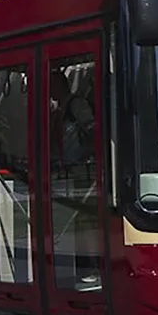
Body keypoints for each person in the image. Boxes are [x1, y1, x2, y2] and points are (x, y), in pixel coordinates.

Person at [49, 70, 100, 288]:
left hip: (84, 171)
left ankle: (95, 267)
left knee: (86, 220)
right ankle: (85, 266)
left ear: (59, 85)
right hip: (68, 172)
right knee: (78, 222)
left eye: (51, 85)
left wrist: (85, 156)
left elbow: (94, 131)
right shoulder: (58, 110)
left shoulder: (76, 106)